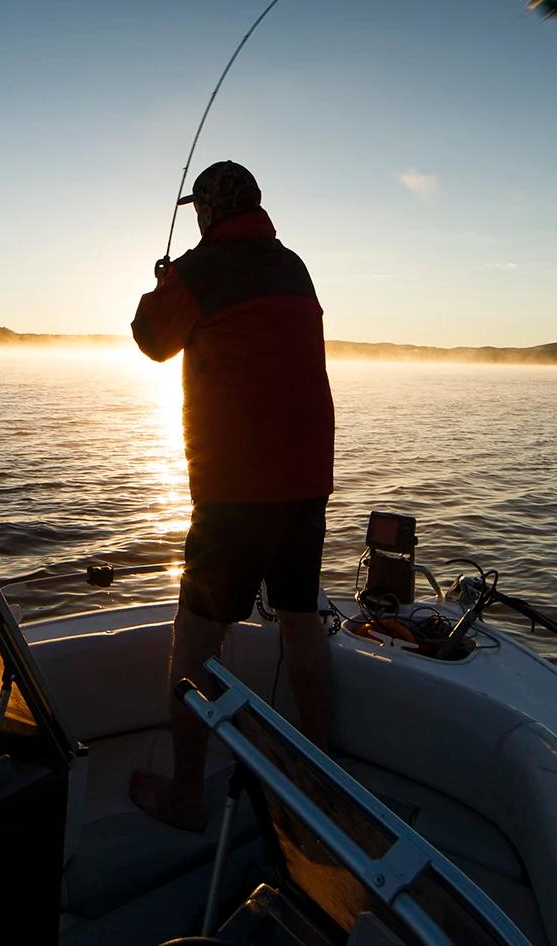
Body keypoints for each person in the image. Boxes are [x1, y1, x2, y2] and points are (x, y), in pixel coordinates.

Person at [127, 159, 336, 832]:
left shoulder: (201, 270)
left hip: (238, 488)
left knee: (196, 634)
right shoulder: (294, 266)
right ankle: (322, 784)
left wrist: (165, 283)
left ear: (209, 211)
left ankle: (188, 793)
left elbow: (152, 341)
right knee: (300, 619)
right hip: (306, 480)